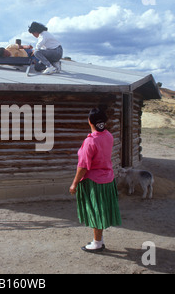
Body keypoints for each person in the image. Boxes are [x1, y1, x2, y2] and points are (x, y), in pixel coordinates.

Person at [69, 108, 122, 253]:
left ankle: (97, 243)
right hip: (108, 179)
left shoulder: (90, 141)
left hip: (94, 181)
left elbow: (83, 166)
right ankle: (99, 239)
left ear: (90, 121)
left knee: (95, 211)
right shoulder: (108, 136)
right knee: (100, 210)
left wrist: (74, 184)